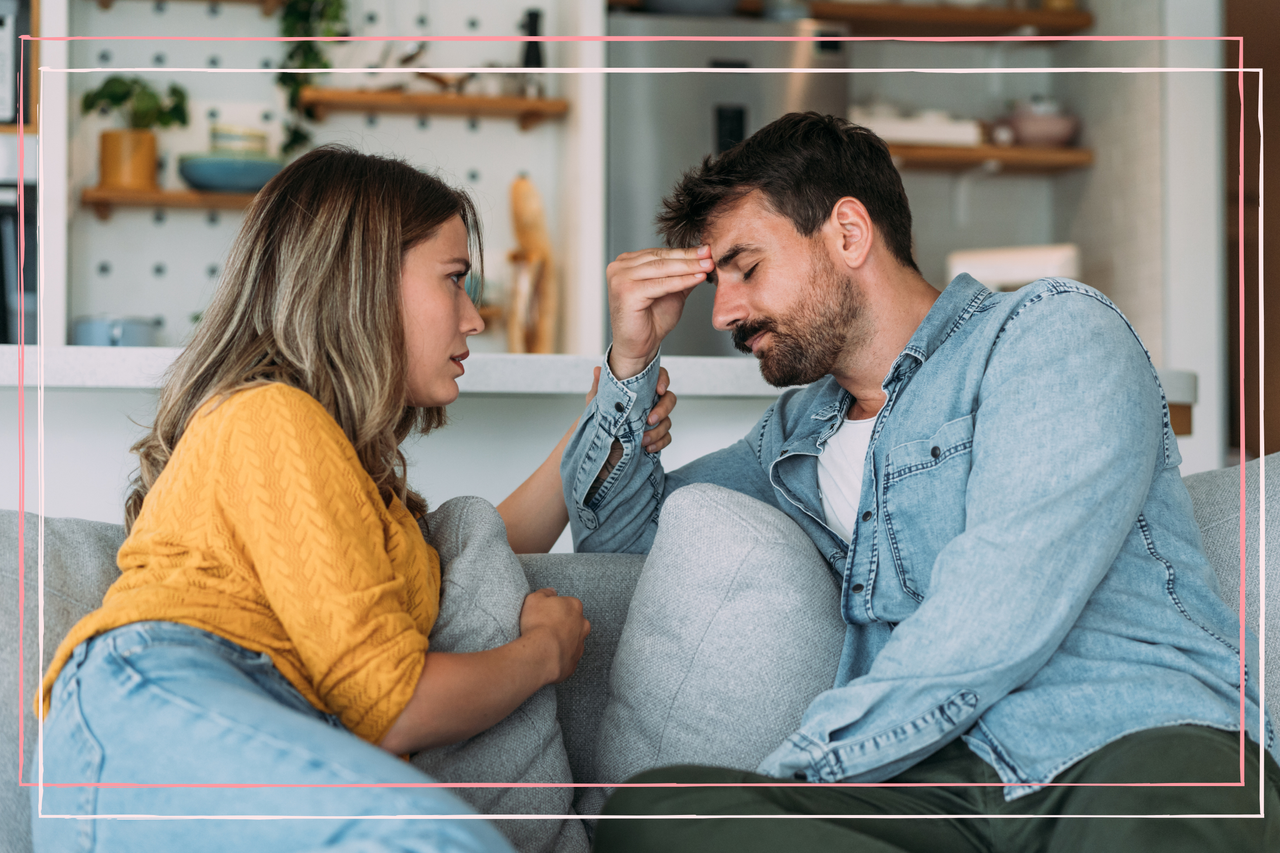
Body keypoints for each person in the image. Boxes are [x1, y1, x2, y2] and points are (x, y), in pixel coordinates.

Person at [561, 112, 1279, 851]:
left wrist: (799, 778)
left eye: (745, 267)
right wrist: (629, 364)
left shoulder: (1049, 332)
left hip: (1123, 747)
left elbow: (996, 606)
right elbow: (622, 542)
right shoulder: (795, 436)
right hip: (938, 783)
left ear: (847, 233)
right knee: (655, 810)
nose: (724, 313)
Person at [30, 145, 676, 852]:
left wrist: (613, 399)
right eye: (455, 280)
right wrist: (542, 653)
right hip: (160, 700)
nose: (474, 318)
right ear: (362, 282)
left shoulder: (361, 492)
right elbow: (392, 705)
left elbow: (486, 544)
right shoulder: (269, 415)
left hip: (214, 719)